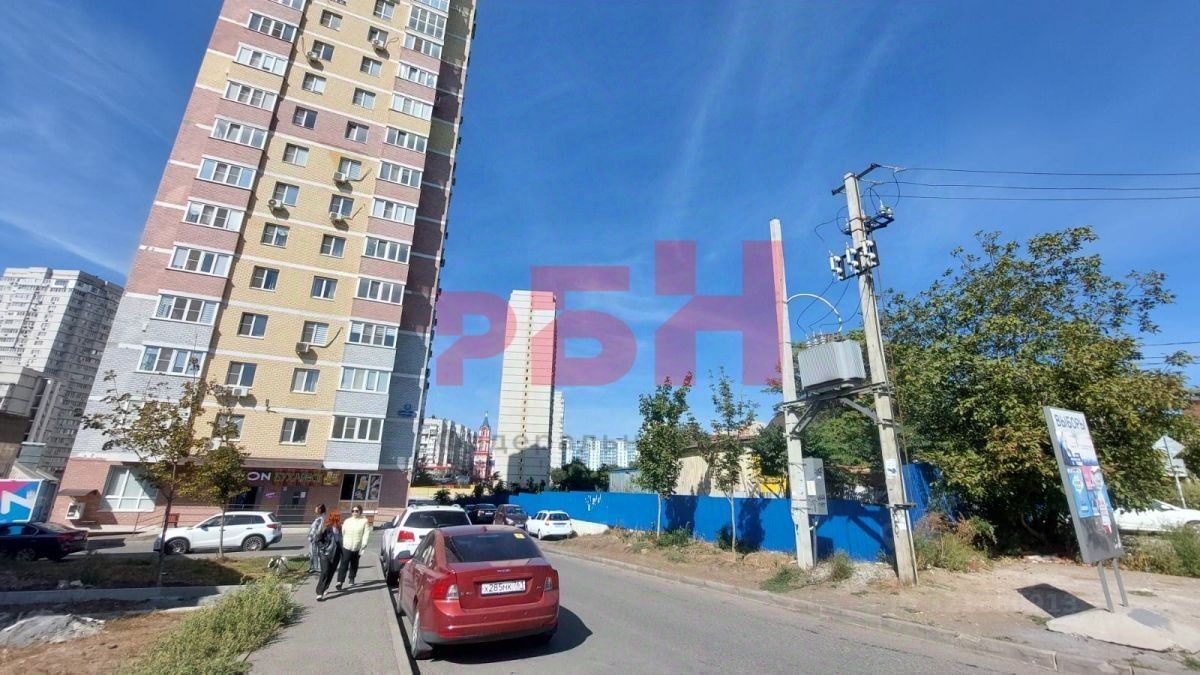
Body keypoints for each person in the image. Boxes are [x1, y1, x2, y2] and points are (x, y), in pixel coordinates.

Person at [336, 506, 371, 590]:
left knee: (354, 563)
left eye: (356, 511)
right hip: (346, 545)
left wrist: (364, 544)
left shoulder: (364, 521)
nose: (354, 512)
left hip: (357, 546)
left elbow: (366, 533)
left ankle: (351, 578)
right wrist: (344, 542)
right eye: (353, 511)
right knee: (344, 563)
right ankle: (340, 581)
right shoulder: (347, 521)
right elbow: (343, 532)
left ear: (360, 511)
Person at [314, 511, 342, 601]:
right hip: (325, 553)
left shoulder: (339, 528)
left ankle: (325, 587)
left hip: (336, 554)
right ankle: (319, 592)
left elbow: (341, 541)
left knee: (331, 572)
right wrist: (323, 548)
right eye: (337, 516)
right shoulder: (326, 527)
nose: (338, 518)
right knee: (325, 571)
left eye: (338, 517)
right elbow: (318, 539)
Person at [307, 504, 327, 574]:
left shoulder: (321, 518)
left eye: (316, 508)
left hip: (315, 539)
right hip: (314, 539)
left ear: (320, 510)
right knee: (313, 553)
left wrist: (314, 538)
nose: (315, 510)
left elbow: (319, 530)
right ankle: (314, 567)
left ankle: (316, 568)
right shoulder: (319, 517)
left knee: (314, 553)